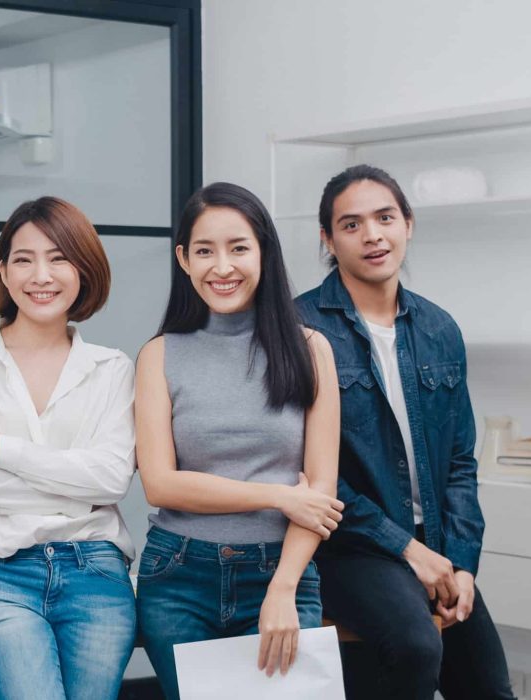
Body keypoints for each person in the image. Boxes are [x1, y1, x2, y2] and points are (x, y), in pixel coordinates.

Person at [295, 164, 515, 699]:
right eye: (351, 224)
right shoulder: (298, 328)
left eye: (385, 217)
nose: (372, 235)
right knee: (417, 647)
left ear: (408, 224)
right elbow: (301, 471)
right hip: (348, 548)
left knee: (491, 690)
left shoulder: (439, 329)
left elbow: (460, 462)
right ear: (327, 238)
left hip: (435, 544)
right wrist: (405, 549)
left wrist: (461, 565)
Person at [135, 182, 342, 700]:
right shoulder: (158, 355)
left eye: (238, 248)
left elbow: (319, 491)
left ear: (264, 253)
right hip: (178, 576)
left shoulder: (311, 349)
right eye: (204, 251)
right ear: (183, 259)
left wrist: (283, 588)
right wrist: (277, 494)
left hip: (282, 571)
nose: (221, 267)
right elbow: (160, 484)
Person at [0, 196, 137, 700]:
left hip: (95, 569)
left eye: (58, 258)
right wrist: (76, 487)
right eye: (24, 260)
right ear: (4, 273)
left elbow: (112, 479)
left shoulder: (111, 368)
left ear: (84, 269)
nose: (41, 275)